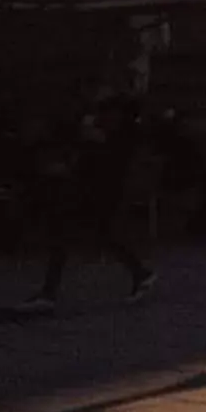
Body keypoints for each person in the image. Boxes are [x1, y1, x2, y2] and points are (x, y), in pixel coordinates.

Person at [24, 94, 154, 308]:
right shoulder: (114, 137)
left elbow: (100, 164)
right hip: (94, 190)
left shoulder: (118, 138)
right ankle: (140, 272)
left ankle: (48, 293)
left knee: (67, 234)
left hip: (96, 192)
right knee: (97, 235)